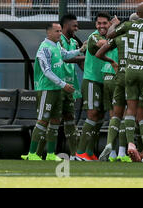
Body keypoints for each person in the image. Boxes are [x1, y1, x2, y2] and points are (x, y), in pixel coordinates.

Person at [106, 3, 143, 162]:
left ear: (137, 13)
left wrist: (115, 25)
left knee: (131, 109)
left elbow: (110, 35)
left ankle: (131, 144)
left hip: (130, 71)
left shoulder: (128, 25)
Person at [21, 22, 85, 161]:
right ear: (49, 33)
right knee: (43, 120)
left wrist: (80, 50)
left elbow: (66, 55)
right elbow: (46, 71)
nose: (60, 33)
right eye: (57, 31)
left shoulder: (56, 45)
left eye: (61, 31)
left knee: (55, 121)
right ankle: (31, 154)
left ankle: (50, 154)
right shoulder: (44, 48)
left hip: (57, 89)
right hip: (46, 89)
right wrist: (63, 84)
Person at [97, 13, 139, 163]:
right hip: (133, 76)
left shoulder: (118, 38)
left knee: (116, 115)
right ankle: (125, 150)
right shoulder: (141, 39)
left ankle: (110, 146)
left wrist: (112, 62)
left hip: (119, 76)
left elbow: (98, 53)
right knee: (130, 113)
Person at [75, 12, 112, 161]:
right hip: (92, 81)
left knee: (101, 117)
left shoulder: (110, 37)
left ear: (109, 24)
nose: (101, 26)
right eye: (99, 23)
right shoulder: (94, 37)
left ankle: (89, 152)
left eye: (105, 23)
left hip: (105, 82)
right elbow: (102, 45)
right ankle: (80, 152)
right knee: (91, 114)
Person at [60, 14, 85, 160]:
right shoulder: (59, 40)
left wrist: (88, 74)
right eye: (74, 25)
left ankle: (74, 154)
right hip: (58, 85)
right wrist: (85, 56)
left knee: (70, 118)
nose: (77, 28)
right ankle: (41, 153)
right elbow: (66, 58)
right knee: (53, 119)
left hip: (71, 86)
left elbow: (78, 62)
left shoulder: (74, 42)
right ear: (66, 25)